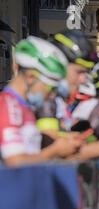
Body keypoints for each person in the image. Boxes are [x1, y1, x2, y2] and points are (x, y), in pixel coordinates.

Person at [0, 36, 81, 166]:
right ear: (31, 77)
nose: (51, 94)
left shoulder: (24, 106)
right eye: (50, 87)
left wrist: (61, 138)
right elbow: (15, 162)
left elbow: (27, 142)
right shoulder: (8, 106)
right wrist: (54, 151)